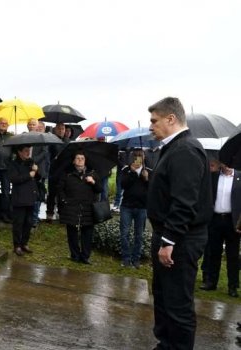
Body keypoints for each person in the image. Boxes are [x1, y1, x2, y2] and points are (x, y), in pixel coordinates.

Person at [147, 97, 212, 350]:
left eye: (154, 120)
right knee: (164, 297)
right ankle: (167, 344)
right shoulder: (173, 147)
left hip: (180, 239)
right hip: (170, 236)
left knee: (177, 303)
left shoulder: (185, 149)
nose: (151, 126)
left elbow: (184, 202)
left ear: (170, 119)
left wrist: (168, 241)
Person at [199, 161, 240, 297]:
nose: (227, 165)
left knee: (232, 255)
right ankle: (211, 281)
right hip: (215, 219)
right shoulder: (214, 177)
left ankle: (232, 286)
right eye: (225, 162)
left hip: (232, 222)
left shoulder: (239, 178)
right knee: (213, 253)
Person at [57, 151, 103, 264]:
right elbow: (60, 189)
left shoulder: (92, 173)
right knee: (71, 232)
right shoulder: (67, 174)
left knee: (87, 232)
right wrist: (64, 200)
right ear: (73, 161)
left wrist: (93, 182)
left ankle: (85, 256)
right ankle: (75, 255)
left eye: (82, 158)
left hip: (87, 207)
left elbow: (99, 189)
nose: (80, 160)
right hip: (71, 207)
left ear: (85, 160)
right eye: (77, 158)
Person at [118, 149, 151, 268]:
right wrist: (132, 173)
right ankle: (126, 258)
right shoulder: (126, 170)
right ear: (132, 157)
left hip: (142, 207)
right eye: (135, 155)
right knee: (124, 233)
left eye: (140, 155)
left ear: (144, 157)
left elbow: (152, 189)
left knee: (139, 235)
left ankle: (136, 259)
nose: (138, 157)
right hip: (127, 206)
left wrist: (146, 179)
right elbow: (123, 185)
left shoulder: (148, 171)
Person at [8, 145, 40, 256]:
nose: (28, 153)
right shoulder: (13, 164)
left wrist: (36, 171)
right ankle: (16, 245)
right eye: (26, 151)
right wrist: (28, 175)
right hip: (19, 197)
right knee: (19, 223)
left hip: (31, 196)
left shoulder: (31, 162)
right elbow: (14, 179)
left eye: (29, 151)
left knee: (29, 222)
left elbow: (38, 178)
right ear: (19, 152)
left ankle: (24, 243)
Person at [46, 122, 70, 223]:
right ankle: (50, 214)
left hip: (64, 172)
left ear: (65, 130)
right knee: (52, 194)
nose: (61, 130)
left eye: (63, 129)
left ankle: (62, 214)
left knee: (62, 195)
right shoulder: (51, 140)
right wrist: (53, 159)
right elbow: (47, 155)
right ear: (55, 129)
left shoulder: (68, 142)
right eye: (59, 128)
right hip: (53, 172)